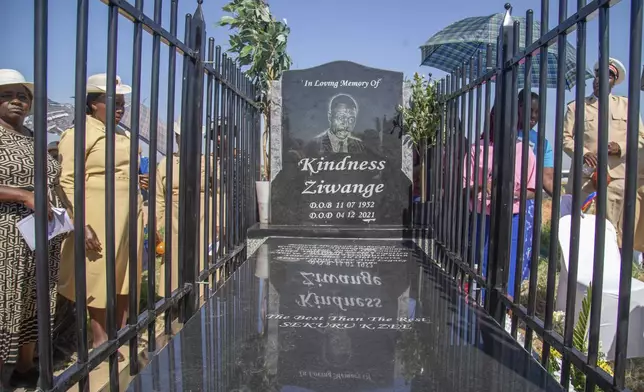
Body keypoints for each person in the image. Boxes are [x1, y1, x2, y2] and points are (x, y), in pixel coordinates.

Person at [57, 73, 144, 361]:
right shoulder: (79, 132)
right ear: (93, 104)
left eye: (122, 102)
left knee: (125, 272)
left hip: (127, 210)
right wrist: (80, 221)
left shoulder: (123, 133)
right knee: (97, 274)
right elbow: (67, 180)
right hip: (96, 209)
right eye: (113, 101)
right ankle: (100, 338)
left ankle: (120, 331)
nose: (120, 107)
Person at [0, 69, 64, 387]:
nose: (16, 101)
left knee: (34, 297)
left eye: (22, 96)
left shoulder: (32, 138)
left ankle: (26, 365)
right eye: (7, 95)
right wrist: (22, 194)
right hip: (6, 231)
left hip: (39, 233)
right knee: (6, 299)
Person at [563, 57, 644, 248]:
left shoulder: (626, 106)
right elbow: (564, 138)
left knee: (613, 232)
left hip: (616, 181)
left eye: (608, 75)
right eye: (598, 74)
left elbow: (640, 137)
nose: (600, 78)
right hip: (584, 181)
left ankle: (609, 274)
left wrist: (621, 147)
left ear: (614, 81)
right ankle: (578, 272)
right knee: (580, 229)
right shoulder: (576, 107)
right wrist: (582, 152)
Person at [466, 105, 537, 298]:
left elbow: (532, 190)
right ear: (492, 118)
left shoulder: (526, 152)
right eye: (498, 116)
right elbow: (464, 187)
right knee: (482, 265)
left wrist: (515, 194)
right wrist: (482, 186)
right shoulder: (477, 149)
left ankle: (504, 312)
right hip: (483, 218)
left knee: (509, 267)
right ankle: (477, 306)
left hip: (511, 217)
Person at [155, 122, 218, 300]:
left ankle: (204, 296)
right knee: (175, 257)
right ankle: (176, 300)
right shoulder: (166, 163)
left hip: (204, 215)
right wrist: (159, 223)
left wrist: (219, 219)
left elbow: (219, 192)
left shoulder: (208, 162)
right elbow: (159, 196)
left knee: (203, 256)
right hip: (175, 216)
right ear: (177, 138)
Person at [516, 90, 554, 280]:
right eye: (529, 109)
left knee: (524, 250)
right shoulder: (500, 133)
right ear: (517, 108)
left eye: (537, 112)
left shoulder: (542, 143)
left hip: (529, 205)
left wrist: (563, 198)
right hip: (502, 202)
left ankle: (514, 295)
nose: (533, 116)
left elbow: (546, 178)